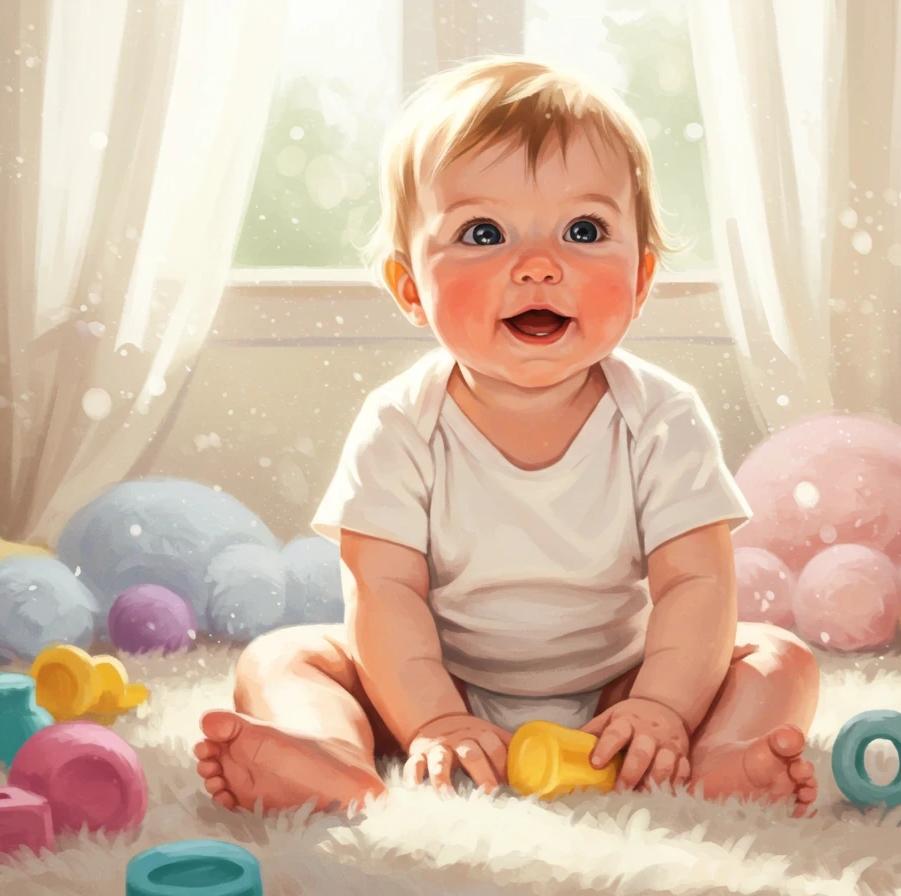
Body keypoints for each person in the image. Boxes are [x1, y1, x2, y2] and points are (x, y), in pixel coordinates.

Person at [194, 55, 820, 817]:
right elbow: (384, 593)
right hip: (432, 684)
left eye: (583, 230)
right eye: (482, 233)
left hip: (620, 689)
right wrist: (431, 717)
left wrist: (662, 706)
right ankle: (331, 754)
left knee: (776, 658)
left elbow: (696, 583)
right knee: (284, 656)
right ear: (409, 290)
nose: (538, 266)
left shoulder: (661, 415)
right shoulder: (400, 423)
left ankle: (720, 758)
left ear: (641, 280)